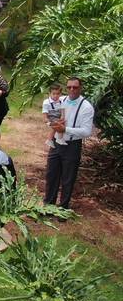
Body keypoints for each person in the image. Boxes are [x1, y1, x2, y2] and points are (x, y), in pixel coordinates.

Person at [44, 77, 94, 211]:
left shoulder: (86, 107)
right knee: (51, 174)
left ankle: (63, 209)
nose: (72, 89)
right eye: (69, 87)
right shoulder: (61, 100)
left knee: (68, 178)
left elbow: (87, 131)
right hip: (56, 142)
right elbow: (50, 110)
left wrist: (65, 129)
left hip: (72, 145)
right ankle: (48, 207)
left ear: (80, 88)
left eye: (75, 87)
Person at [42, 83, 64, 149]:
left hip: (58, 117)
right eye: (53, 94)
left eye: (58, 94)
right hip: (50, 117)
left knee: (62, 122)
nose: (55, 96)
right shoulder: (46, 102)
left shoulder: (61, 101)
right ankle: (51, 139)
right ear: (49, 93)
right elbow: (45, 114)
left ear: (60, 94)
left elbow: (62, 111)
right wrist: (47, 121)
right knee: (57, 124)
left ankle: (58, 138)